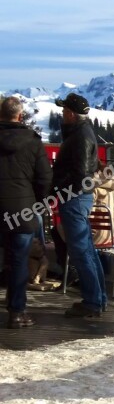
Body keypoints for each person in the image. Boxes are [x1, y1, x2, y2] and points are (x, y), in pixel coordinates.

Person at [52, 92, 106, 317]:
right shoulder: (81, 133)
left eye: (65, 110)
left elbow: (81, 174)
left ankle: (93, 302)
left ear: (72, 114)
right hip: (77, 197)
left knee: (81, 252)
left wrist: (61, 192)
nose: (62, 114)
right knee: (87, 251)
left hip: (74, 199)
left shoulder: (80, 136)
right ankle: (97, 298)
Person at [0, 96, 52, 328]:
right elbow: (44, 178)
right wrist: (37, 201)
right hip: (22, 210)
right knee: (20, 261)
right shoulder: (32, 141)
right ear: (20, 116)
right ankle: (17, 313)